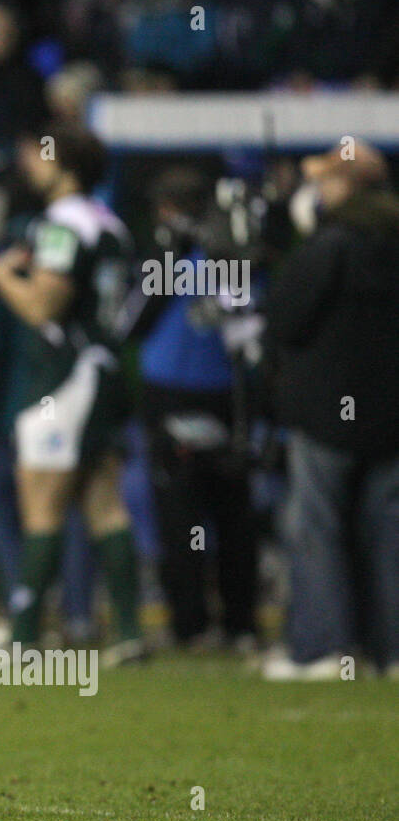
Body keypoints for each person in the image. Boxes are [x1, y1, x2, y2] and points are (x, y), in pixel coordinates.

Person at [0, 124, 144, 663]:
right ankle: (128, 632)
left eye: (40, 155)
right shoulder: (111, 223)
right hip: (104, 371)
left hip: (64, 378)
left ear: (66, 166)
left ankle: (24, 636)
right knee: (104, 502)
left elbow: (42, 306)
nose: (31, 165)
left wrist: (3, 274)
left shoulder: (59, 223)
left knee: (42, 504)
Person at [262, 142, 399, 680]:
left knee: (315, 529)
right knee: (386, 535)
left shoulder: (330, 245)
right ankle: (390, 653)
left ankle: (325, 650)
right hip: (392, 418)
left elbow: (285, 320)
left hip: (327, 414)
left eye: (324, 181)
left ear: (344, 187)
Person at [128, 167, 257, 650]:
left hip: (179, 394)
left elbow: (130, 323)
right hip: (222, 395)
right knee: (227, 512)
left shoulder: (199, 258)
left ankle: (196, 624)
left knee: (187, 513)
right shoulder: (228, 259)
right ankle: (233, 623)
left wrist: (169, 262)